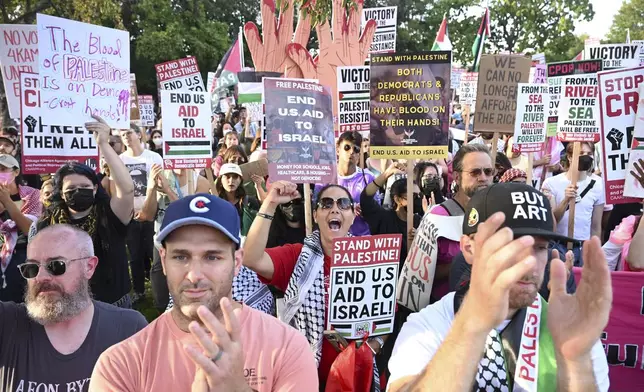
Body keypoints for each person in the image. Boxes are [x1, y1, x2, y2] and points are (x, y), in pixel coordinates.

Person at [388, 183, 611, 391]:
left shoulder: (566, 327)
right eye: (512, 245)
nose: (529, 263)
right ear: (468, 247)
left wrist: (576, 364)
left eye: (540, 247)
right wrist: (472, 328)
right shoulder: (429, 325)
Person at [90, 193, 317, 391]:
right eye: (181, 257)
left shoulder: (287, 347)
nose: (194, 275)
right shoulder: (121, 364)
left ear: (237, 262)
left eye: (212, 257)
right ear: (164, 260)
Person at [243, 181, 386, 390]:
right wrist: (270, 204)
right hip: (305, 376)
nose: (335, 208)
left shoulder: (370, 258)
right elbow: (251, 258)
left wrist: (373, 347)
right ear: (315, 215)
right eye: (326, 203)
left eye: (343, 204)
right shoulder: (297, 258)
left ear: (353, 216)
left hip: (356, 378)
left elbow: (386, 316)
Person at [0, 224, 147, 391]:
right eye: (31, 268)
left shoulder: (129, 329)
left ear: (89, 267)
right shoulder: (7, 323)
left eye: (56, 265)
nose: (40, 278)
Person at [32, 115, 135, 308]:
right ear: (61, 194)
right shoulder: (47, 224)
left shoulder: (110, 215)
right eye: (71, 189)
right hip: (67, 304)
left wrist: (104, 144)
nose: (78, 191)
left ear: (95, 189)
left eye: (85, 186)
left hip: (113, 305)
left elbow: (127, 189)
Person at [425, 144, 494, 302]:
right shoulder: (437, 216)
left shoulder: (498, 213)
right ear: (456, 176)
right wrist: (468, 260)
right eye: (475, 172)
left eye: (488, 171)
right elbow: (422, 275)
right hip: (447, 312)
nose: (483, 177)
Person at [138, 166, 210, 311]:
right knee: (160, 287)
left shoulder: (199, 181)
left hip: (190, 243)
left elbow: (190, 216)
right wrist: (151, 188)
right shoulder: (160, 177)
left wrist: (169, 191)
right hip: (162, 243)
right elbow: (146, 215)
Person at [119, 123, 163, 304]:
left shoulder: (153, 157)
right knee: (135, 255)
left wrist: (150, 208)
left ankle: (158, 289)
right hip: (130, 215)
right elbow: (117, 188)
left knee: (153, 254)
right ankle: (138, 290)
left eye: (129, 133)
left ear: (139, 134)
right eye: (122, 135)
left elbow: (162, 184)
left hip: (152, 212)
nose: (126, 137)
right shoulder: (120, 159)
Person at [541, 142, 604, 266]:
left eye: (589, 154)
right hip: (558, 245)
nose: (585, 156)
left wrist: (595, 252)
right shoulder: (551, 183)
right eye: (580, 153)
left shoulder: (598, 184)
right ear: (569, 157)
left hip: (583, 247)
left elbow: (596, 226)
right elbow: (551, 221)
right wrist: (565, 200)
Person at [317, 131, 377, 236]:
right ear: (338, 149)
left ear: (360, 153)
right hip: (333, 241)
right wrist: (346, 209)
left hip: (362, 241)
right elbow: (317, 210)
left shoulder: (368, 177)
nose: (351, 152)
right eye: (347, 147)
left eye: (356, 149)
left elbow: (376, 212)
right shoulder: (325, 177)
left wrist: (366, 210)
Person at [361, 162, 421, 266]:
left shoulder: (420, 222)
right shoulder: (383, 218)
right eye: (413, 196)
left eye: (419, 195)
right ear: (398, 199)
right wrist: (386, 174)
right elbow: (366, 197)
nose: (417, 200)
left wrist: (421, 240)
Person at [0, 154, 42, 302]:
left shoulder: (32, 194)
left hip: (23, 255)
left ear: (16, 172)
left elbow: (29, 230)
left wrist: (7, 202)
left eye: (3, 169)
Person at [214, 164, 259, 237]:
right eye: (227, 177)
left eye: (235, 177)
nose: (231, 181)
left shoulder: (250, 202)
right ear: (220, 180)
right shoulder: (214, 203)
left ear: (240, 180)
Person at [266, 184, 307, 249]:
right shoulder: (270, 235)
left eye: (297, 202)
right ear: (279, 207)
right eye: (286, 203)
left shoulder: (314, 232)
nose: (292, 207)